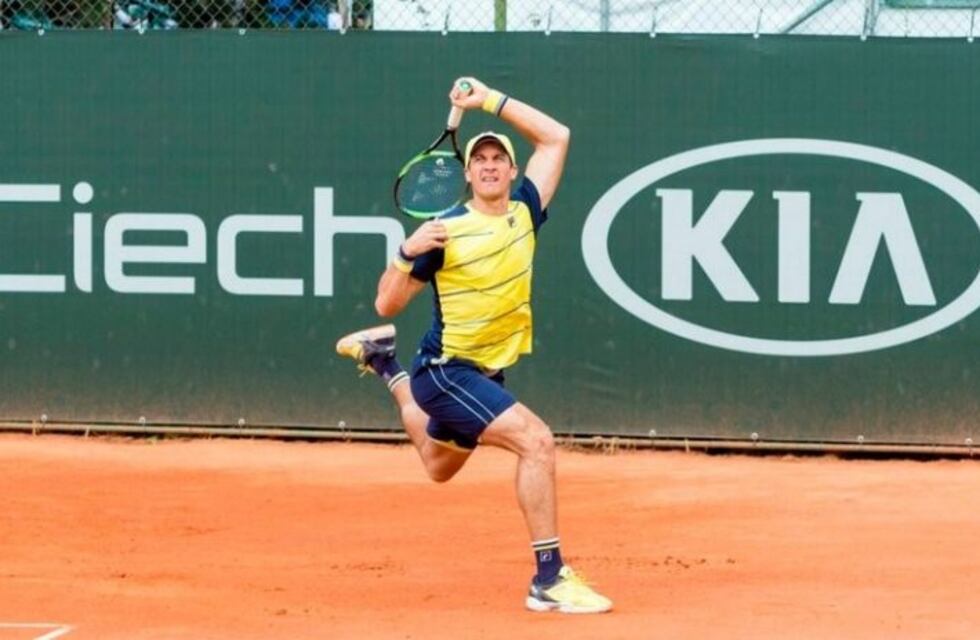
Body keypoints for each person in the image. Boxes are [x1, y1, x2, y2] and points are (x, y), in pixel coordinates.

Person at [336, 77, 612, 614]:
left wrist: (489, 100)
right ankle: (549, 579)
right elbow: (386, 305)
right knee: (536, 441)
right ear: (467, 174)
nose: (489, 165)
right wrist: (403, 253)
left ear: (512, 171)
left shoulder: (527, 209)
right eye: (480, 160)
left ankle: (385, 362)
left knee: (436, 465)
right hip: (446, 372)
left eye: (498, 159)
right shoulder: (443, 232)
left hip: (484, 373)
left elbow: (556, 137)